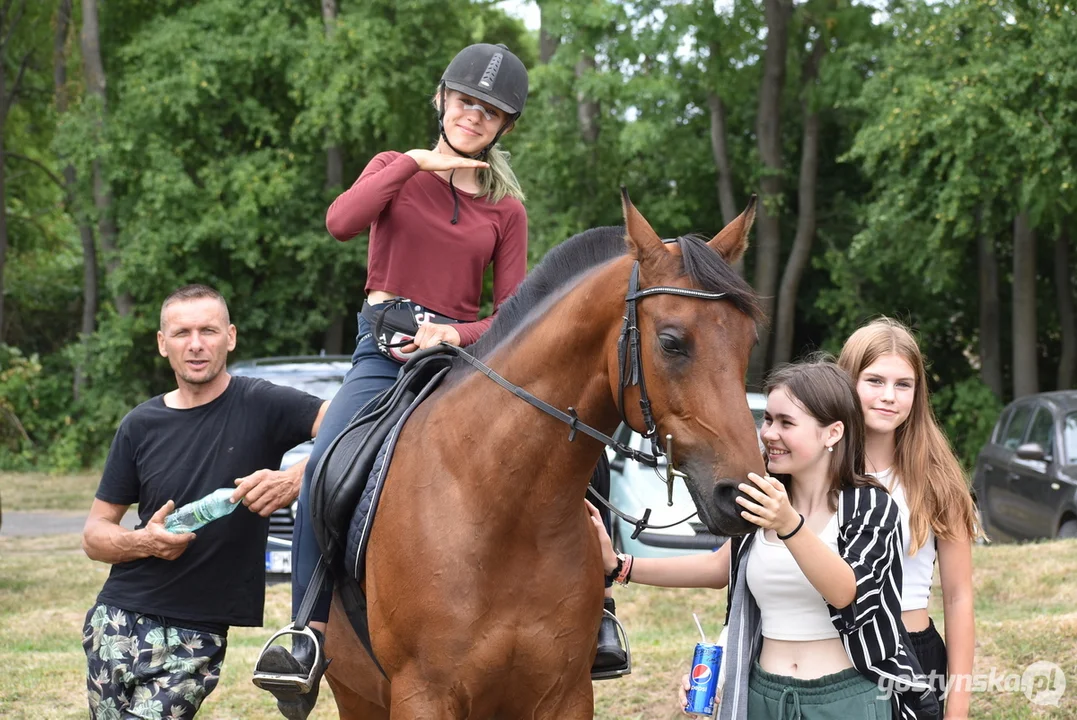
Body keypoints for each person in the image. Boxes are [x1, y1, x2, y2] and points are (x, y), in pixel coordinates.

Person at [254, 41, 630, 720]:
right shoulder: (392, 171)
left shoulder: (504, 211)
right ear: (441, 99)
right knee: (323, 467)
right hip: (382, 353)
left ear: (505, 127)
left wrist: (454, 333)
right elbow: (340, 223)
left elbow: (515, 314)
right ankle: (305, 635)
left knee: (582, 456)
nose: (473, 117)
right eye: (464, 101)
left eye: (490, 113)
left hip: (466, 362)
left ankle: (598, 615)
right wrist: (414, 164)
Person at [589, 358, 940, 720]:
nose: (769, 433)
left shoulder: (870, 505)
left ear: (832, 433)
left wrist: (788, 523)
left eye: (786, 422)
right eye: (768, 419)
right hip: (763, 696)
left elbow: (847, 593)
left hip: (847, 698)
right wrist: (620, 566)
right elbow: (716, 568)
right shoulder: (761, 503)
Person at [80, 284, 328, 720]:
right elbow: (95, 534)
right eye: (182, 332)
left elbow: (357, 423)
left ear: (230, 337)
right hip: (115, 618)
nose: (196, 344)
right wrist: (145, 542)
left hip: (196, 632)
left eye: (208, 330)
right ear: (163, 344)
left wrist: (295, 476)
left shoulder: (263, 403)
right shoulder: (139, 425)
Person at [838, 318, 980, 718]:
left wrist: (959, 707)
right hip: (832, 653)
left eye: (904, 385)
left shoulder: (937, 477)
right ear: (847, 380)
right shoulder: (816, 470)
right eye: (874, 381)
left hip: (913, 652)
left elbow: (958, 596)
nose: (889, 396)